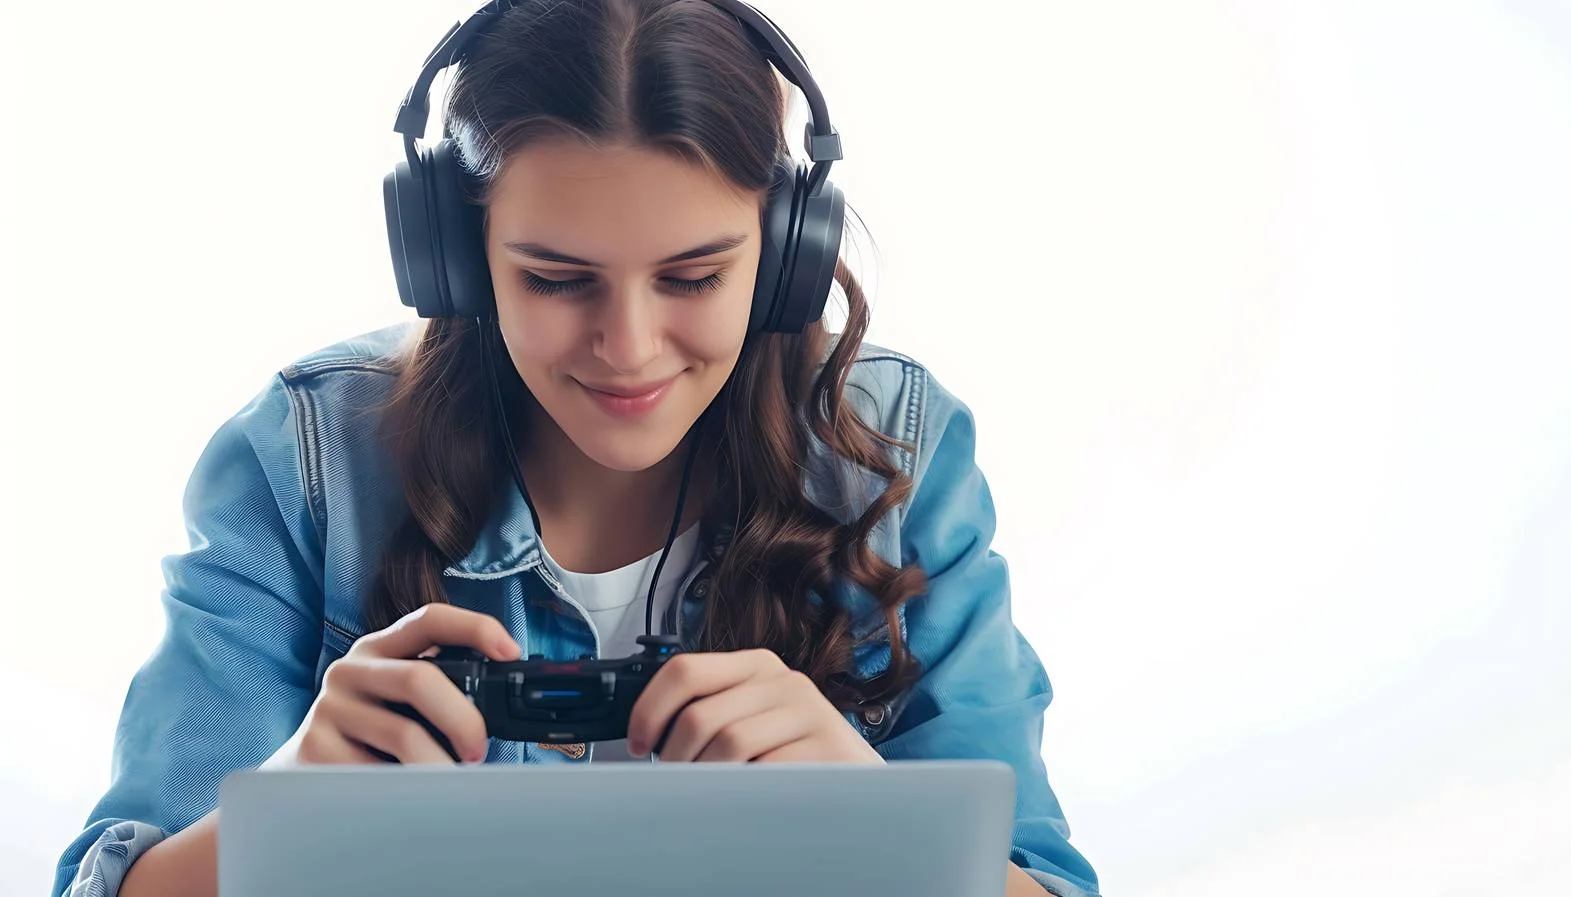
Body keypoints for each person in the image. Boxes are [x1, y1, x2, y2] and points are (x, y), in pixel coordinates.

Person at [51, 1, 1099, 895]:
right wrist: (284, 808)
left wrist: (873, 818)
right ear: (455, 258)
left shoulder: (892, 454)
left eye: (694, 278)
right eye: (556, 280)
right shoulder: (303, 462)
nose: (629, 349)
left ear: (785, 258)